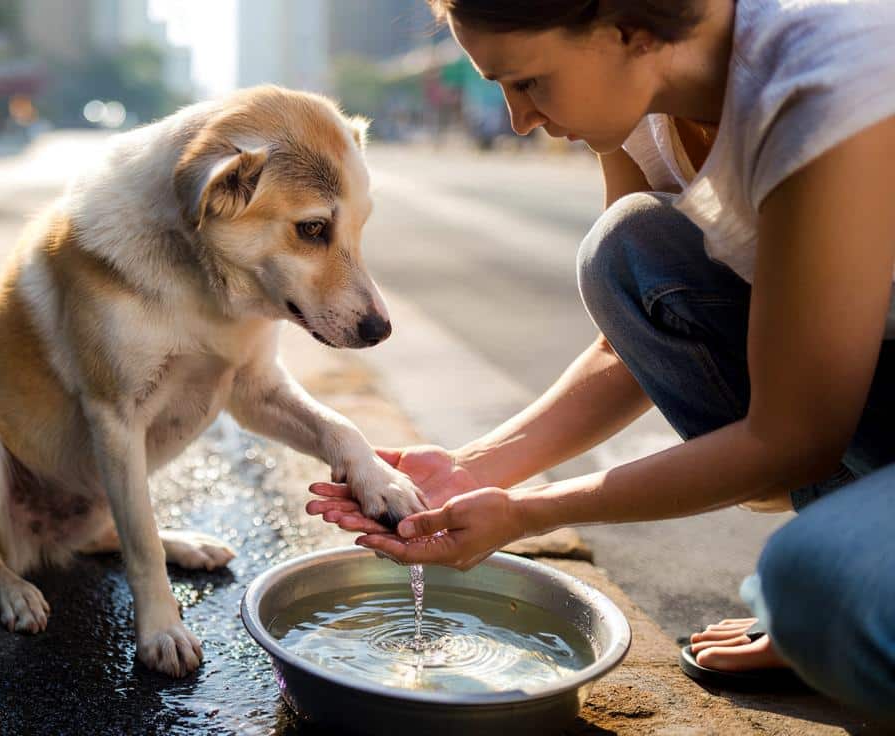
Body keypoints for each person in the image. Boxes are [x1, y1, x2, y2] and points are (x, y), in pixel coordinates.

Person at [307, 0, 895, 721]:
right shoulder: (641, 97)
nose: (518, 119)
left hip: (827, 419)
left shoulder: (822, 83)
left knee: (811, 587)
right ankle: (842, 561)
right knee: (628, 249)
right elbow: (627, 342)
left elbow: (794, 439)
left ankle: (841, 584)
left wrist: (525, 513)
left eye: (527, 83)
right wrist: (476, 468)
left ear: (629, 29)